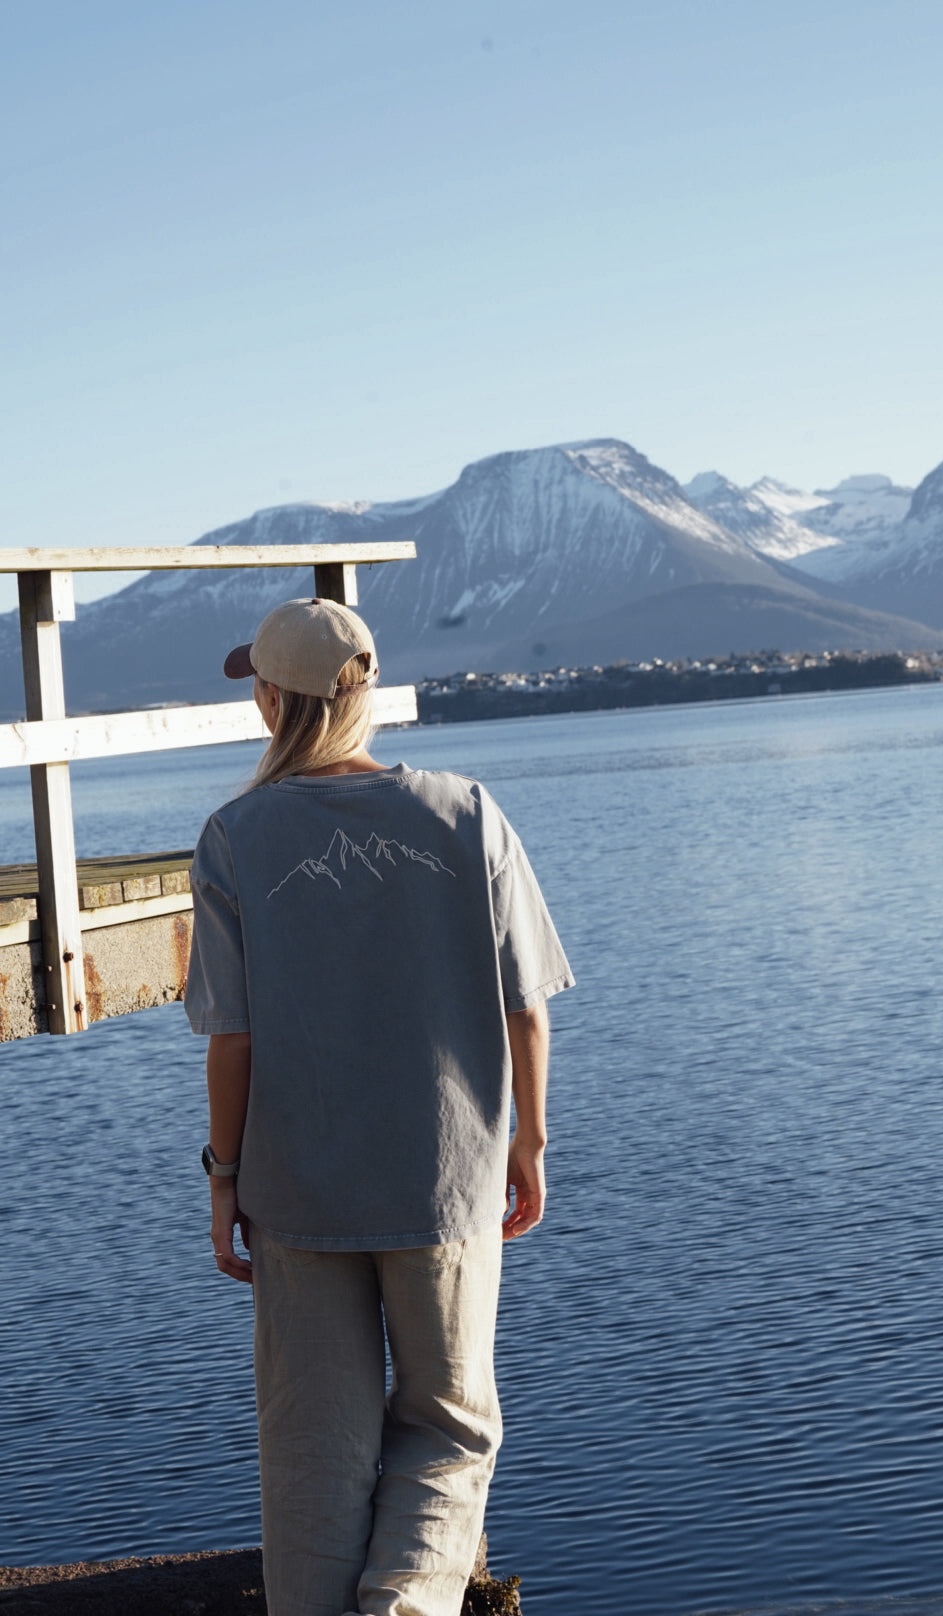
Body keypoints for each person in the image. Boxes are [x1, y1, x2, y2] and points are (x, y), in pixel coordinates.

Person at [183, 597, 574, 1616]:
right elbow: (525, 1010)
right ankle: (405, 1603)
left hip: (296, 1189)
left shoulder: (234, 836)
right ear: (363, 691)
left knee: (314, 1448)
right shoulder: (467, 809)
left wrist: (224, 1178)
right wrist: (529, 1140)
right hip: (444, 1179)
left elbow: (236, 1039)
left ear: (273, 702)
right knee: (449, 1427)